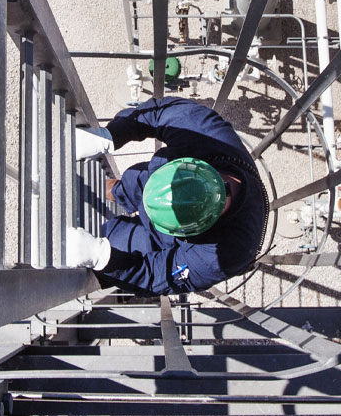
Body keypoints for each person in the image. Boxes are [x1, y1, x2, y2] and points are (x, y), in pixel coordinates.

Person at [67, 96, 268, 296]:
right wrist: (111, 135)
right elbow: (158, 112)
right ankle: (120, 192)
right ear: (191, 163)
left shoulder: (224, 255)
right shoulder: (206, 134)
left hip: (160, 239)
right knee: (134, 183)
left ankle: (97, 242)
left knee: (112, 245)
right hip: (152, 184)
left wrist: (100, 257)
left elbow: (158, 275)